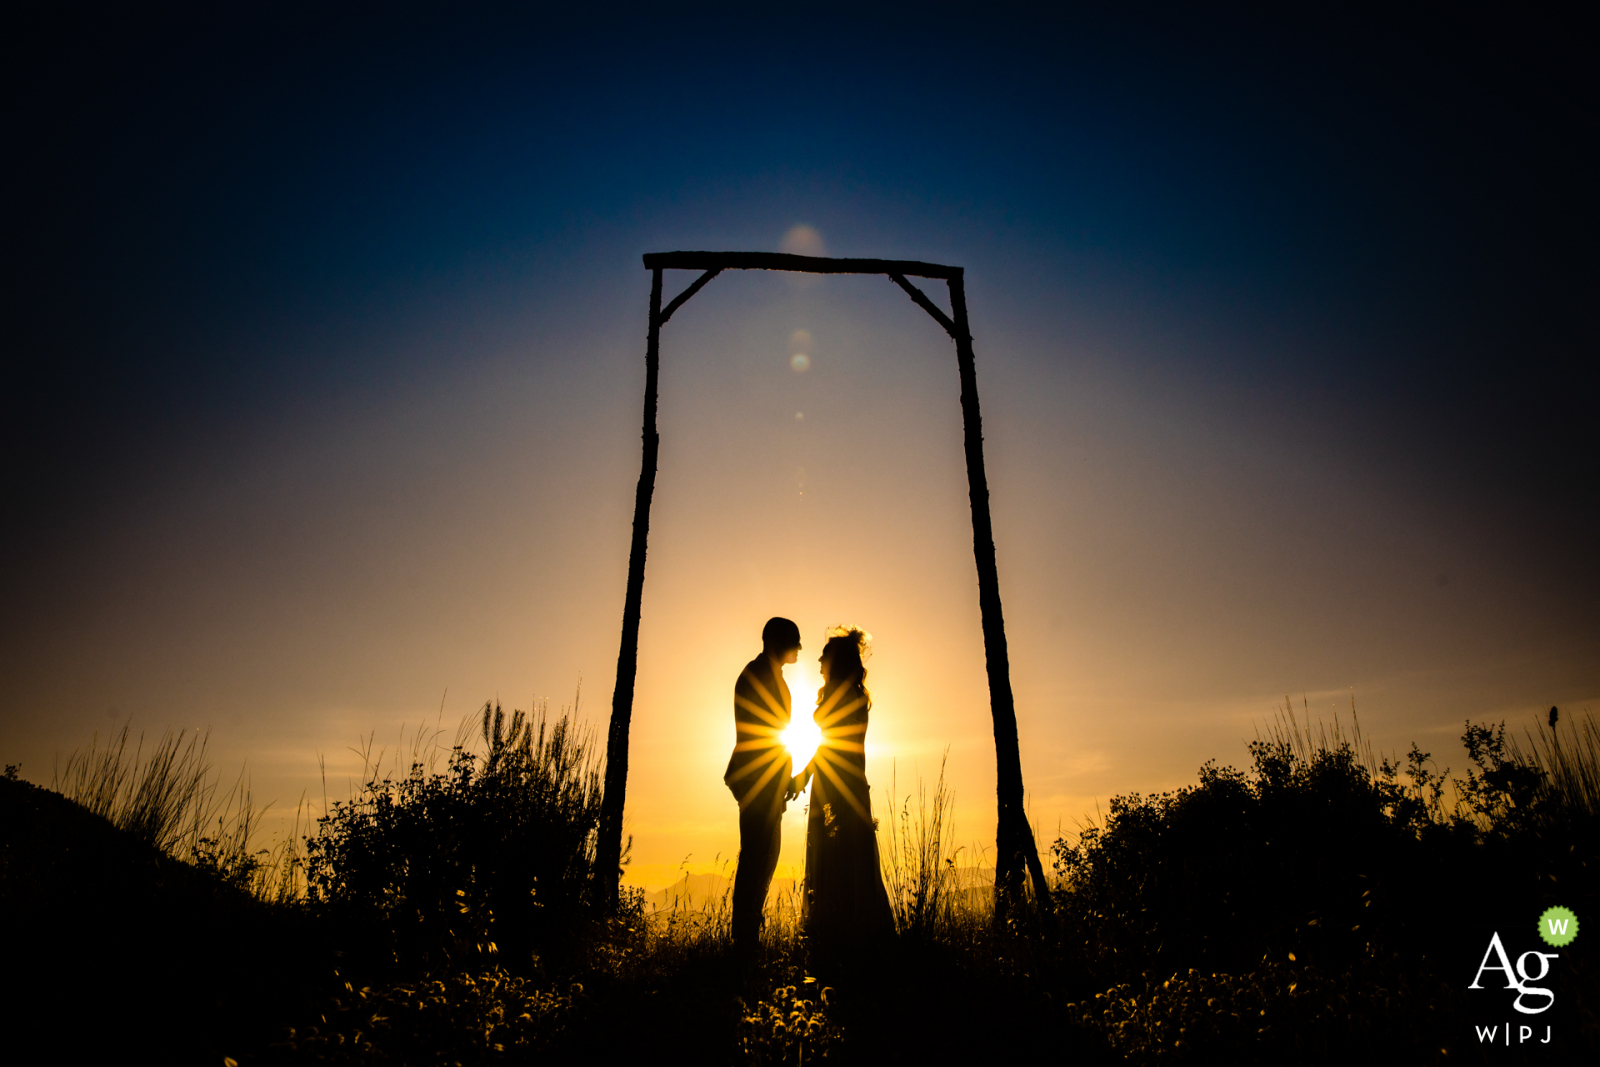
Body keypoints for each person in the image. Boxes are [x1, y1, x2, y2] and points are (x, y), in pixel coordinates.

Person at [792, 626, 894, 967]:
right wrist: (807, 776)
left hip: (841, 787)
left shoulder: (845, 698)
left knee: (842, 860)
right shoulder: (848, 695)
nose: (819, 660)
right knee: (841, 861)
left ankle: (846, 945)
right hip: (838, 784)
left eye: (825, 655)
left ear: (835, 661)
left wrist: (804, 776)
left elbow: (831, 746)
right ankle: (843, 940)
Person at [726, 616, 802, 954]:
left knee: (761, 859)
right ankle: (744, 941)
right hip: (760, 781)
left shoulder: (763, 673)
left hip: (763, 780)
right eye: (794, 641)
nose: (799, 648)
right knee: (758, 858)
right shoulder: (759, 676)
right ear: (777, 642)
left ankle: (745, 936)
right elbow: (765, 736)